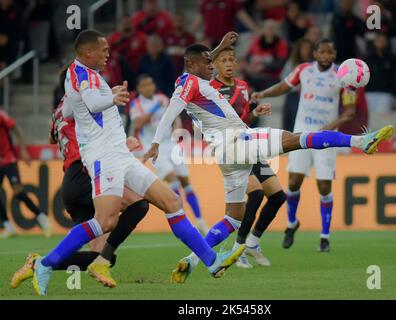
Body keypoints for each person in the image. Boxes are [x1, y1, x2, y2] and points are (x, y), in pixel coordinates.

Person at [143, 32, 395, 283]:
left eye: (213, 62)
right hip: (237, 143)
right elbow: (172, 108)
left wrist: (220, 46)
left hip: (227, 156)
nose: (212, 66)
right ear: (191, 64)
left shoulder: (202, 82)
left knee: (233, 216)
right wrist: (155, 142)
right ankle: (361, 141)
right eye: (207, 64)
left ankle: (192, 260)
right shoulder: (189, 81)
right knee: (297, 139)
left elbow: (204, 59)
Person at [27, 29, 245, 296]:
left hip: (119, 153)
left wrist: (89, 107)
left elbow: (73, 109)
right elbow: (94, 104)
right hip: (103, 157)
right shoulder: (80, 73)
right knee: (105, 222)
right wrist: (112, 98)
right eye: (103, 50)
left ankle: (211, 262)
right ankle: (45, 264)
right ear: (87, 52)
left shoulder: (88, 75)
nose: (108, 54)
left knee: (172, 202)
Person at [11, 88, 150, 289]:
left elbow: (52, 138)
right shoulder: (82, 102)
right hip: (86, 173)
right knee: (139, 205)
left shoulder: (59, 111)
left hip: (72, 181)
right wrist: (122, 145)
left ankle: (36, 263)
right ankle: (41, 263)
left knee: (101, 258)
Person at [252, 39, 356, 252]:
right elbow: (284, 86)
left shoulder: (343, 76)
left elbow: (350, 111)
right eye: (322, 52)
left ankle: (325, 236)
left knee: (324, 185)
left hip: (327, 136)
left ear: (334, 54)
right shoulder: (303, 70)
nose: (326, 56)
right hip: (302, 133)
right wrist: (262, 94)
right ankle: (291, 224)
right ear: (315, 53)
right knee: (293, 182)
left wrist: (331, 125)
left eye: (330, 52)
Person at [210, 46, 286, 268]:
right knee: (256, 194)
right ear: (214, 64)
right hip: (230, 151)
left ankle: (252, 243)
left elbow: (242, 121)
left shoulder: (242, 87)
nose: (229, 63)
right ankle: (238, 248)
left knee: (278, 196)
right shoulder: (209, 89)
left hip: (248, 144)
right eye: (223, 60)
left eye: (232, 59)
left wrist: (255, 113)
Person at [130, 74, 208, 234]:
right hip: (152, 148)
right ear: (138, 89)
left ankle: (200, 221)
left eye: (149, 83)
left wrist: (177, 127)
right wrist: (154, 108)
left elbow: (175, 116)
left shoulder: (162, 98)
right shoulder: (136, 104)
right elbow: (138, 123)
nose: (148, 87)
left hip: (170, 144)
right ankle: (185, 223)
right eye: (143, 85)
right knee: (172, 179)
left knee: (185, 181)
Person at [0, 109, 51, 238]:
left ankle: (42, 217)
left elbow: (16, 129)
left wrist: (23, 150)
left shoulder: (1, 114)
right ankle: (8, 225)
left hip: (8, 159)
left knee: (18, 192)